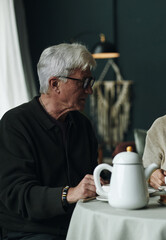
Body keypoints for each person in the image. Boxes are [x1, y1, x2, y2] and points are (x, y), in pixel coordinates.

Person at [0, 43, 99, 239]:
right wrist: (69, 193)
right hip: (30, 232)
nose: (90, 91)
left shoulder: (82, 124)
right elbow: (17, 194)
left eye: (90, 82)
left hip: (78, 225)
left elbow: (90, 180)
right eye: (83, 82)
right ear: (55, 84)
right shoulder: (14, 124)